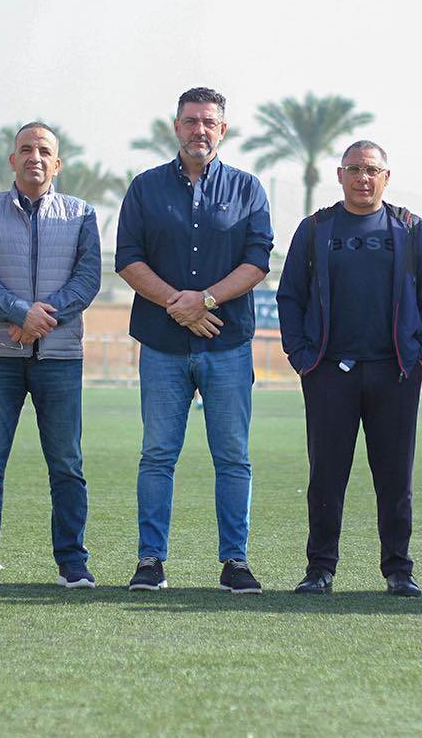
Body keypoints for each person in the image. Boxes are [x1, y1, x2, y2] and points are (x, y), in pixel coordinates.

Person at [115, 87, 273, 593]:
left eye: (208, 122)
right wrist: (177, 305)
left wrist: (203, 300)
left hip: (227, 347)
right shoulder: (145, 188)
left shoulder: (248, 189)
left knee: (232, 457)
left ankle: (235, 563)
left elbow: (258, 261)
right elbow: (128, 258)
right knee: (158, 455)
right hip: (162, 346)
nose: (199, 130)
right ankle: (150, 561)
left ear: (222, 129)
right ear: (176, 126)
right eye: (190, 121)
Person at [277, 140, 422, 596]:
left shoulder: (410, 228)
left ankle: (398, 570)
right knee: (326, 477)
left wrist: (421, 354)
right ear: (339, 175)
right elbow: (290, 295)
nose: (362, 178)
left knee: (395, 478)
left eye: (371, 170)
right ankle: (320, 568)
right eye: (354, 169)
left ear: (386, 177)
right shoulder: (315, 229)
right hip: (329, 372)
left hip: (395, 372)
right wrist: (302, 357)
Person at [0, 122, 101, 589]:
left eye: (44, 151)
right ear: (12, 159)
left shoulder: (81, 214)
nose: (35, 157)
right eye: (26, 149)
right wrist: (20, 313)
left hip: (60, 358)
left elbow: (87, 278)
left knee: (67, 464)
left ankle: (72, 562)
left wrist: (40, 319)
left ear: (57, 164)